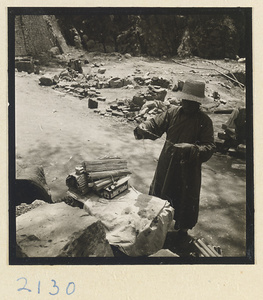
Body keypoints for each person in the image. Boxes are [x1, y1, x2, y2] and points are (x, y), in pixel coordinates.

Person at [134, 79, 216, 235]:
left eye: (192, 102)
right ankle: (156, 226)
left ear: (198, 103)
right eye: (185, 100)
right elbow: (155, 125)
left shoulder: (204, 121)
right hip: (168, 162)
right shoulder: (172, 113)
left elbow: (209, 146)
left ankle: (182, 229)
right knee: (161, 192)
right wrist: (144, 128)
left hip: (189, 168)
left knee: (185, 199)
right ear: (182, 99)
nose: (187, 104)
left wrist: (192, 149)